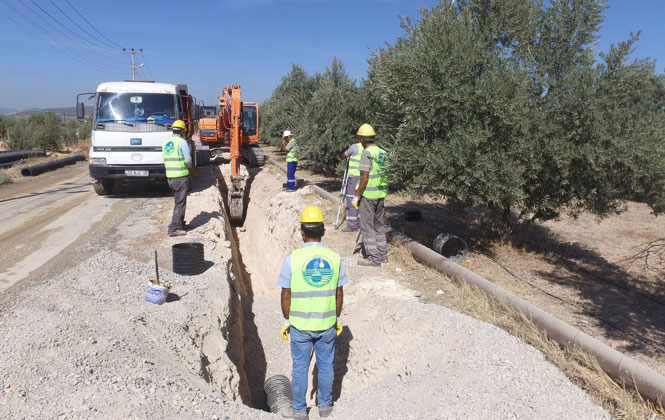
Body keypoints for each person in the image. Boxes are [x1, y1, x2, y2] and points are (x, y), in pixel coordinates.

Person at [278, 205, 347, 419]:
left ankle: (300, 410)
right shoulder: (334, 259)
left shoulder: (293, 259)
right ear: (323, 231)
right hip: (326, 325)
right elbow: (339, 293)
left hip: (300, 326)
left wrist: (288, 318)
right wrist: (335, 317)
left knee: (300, 368)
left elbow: (286, 294)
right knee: (326, 366)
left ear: (301, 231)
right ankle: (325, 407)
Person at [351, 123, 388, 266]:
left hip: (369, 196)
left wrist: (357, 194)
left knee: (367, 226)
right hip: (380, 194)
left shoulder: (367, 153)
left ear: (360, 139)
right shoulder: (382, 152)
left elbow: (365, 177)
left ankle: (374, 258)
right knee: (379, 226)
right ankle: (383, 255)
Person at [162, 120, 192, 237]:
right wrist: (188, 167)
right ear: (182, 131)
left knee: (179, 201)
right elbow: (188, 160)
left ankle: (180, 224)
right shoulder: (181, 142)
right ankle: (174, 228)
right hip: (180, 176)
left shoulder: (166, 143)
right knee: (180, 203)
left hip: (170, 177)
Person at [340, 138, 364, 232]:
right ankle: (358, 222)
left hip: (354, 177)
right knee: (359, 200)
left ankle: (352, 225)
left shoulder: (355, 147)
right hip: (363, 177)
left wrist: (348, 149)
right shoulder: (368, 148)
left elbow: (344, 155)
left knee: (351, 200)